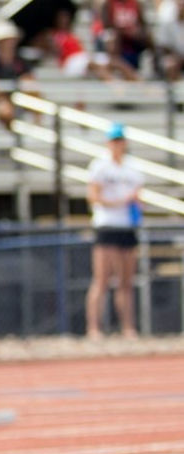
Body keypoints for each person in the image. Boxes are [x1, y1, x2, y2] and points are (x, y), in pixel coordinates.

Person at [85, 124, 143, 340]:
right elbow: (93, 196)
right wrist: (119, 201)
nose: (118, 144)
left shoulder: (132, 167)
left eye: (120, 140)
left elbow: (138, 196)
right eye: (114, 140)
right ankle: (94, 328)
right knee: (101, 280)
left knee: (126, 281)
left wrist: (135, 205)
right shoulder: (100, 166)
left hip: (126, 226)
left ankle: (128, 328)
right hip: (107, 226)